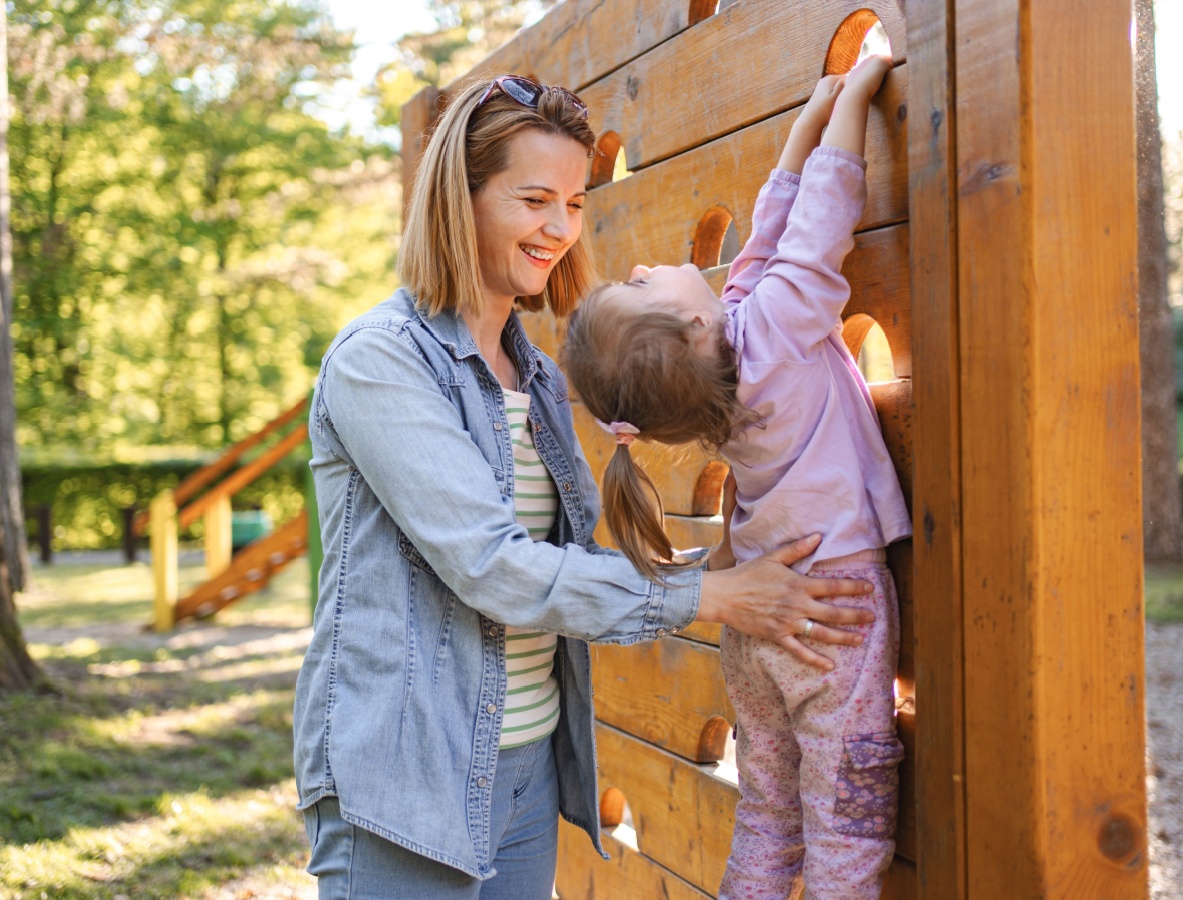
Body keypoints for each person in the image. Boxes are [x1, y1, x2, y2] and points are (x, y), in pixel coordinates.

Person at [292, 73, 879, 899]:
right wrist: (716, 597)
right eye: (535, 199)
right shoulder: (380, 361)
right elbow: (494, 569)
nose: (560, 229)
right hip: (409, 779)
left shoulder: (535, 374)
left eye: (572, 203)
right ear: (460, 202)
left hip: (529, 767)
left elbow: (570, 564)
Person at [562, 57, 909, 899]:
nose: (641, 268)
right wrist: (856, 99)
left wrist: (799, 133)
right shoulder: (778, 332)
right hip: (831, 616)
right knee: (845, 824)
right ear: (691, 319)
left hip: (753, 632)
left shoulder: (731, 360)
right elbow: (820, 230)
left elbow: (762, 252)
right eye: (634, 285)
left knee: (768, 816)